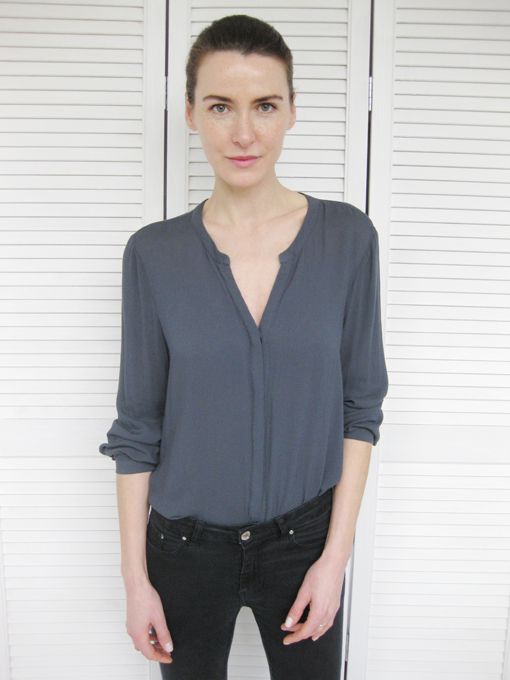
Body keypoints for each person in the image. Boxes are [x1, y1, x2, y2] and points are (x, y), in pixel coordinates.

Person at [99, 14, 388, 680]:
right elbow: (137, 427)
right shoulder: (153, 254)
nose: (244, 133)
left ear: (291, 111)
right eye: (220, 106)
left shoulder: (347, 240)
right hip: (184, 550)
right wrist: (136, 580)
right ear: (191, 114)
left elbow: (360, 409)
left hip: (304, 544)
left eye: (265, 105)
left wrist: (334, 559)